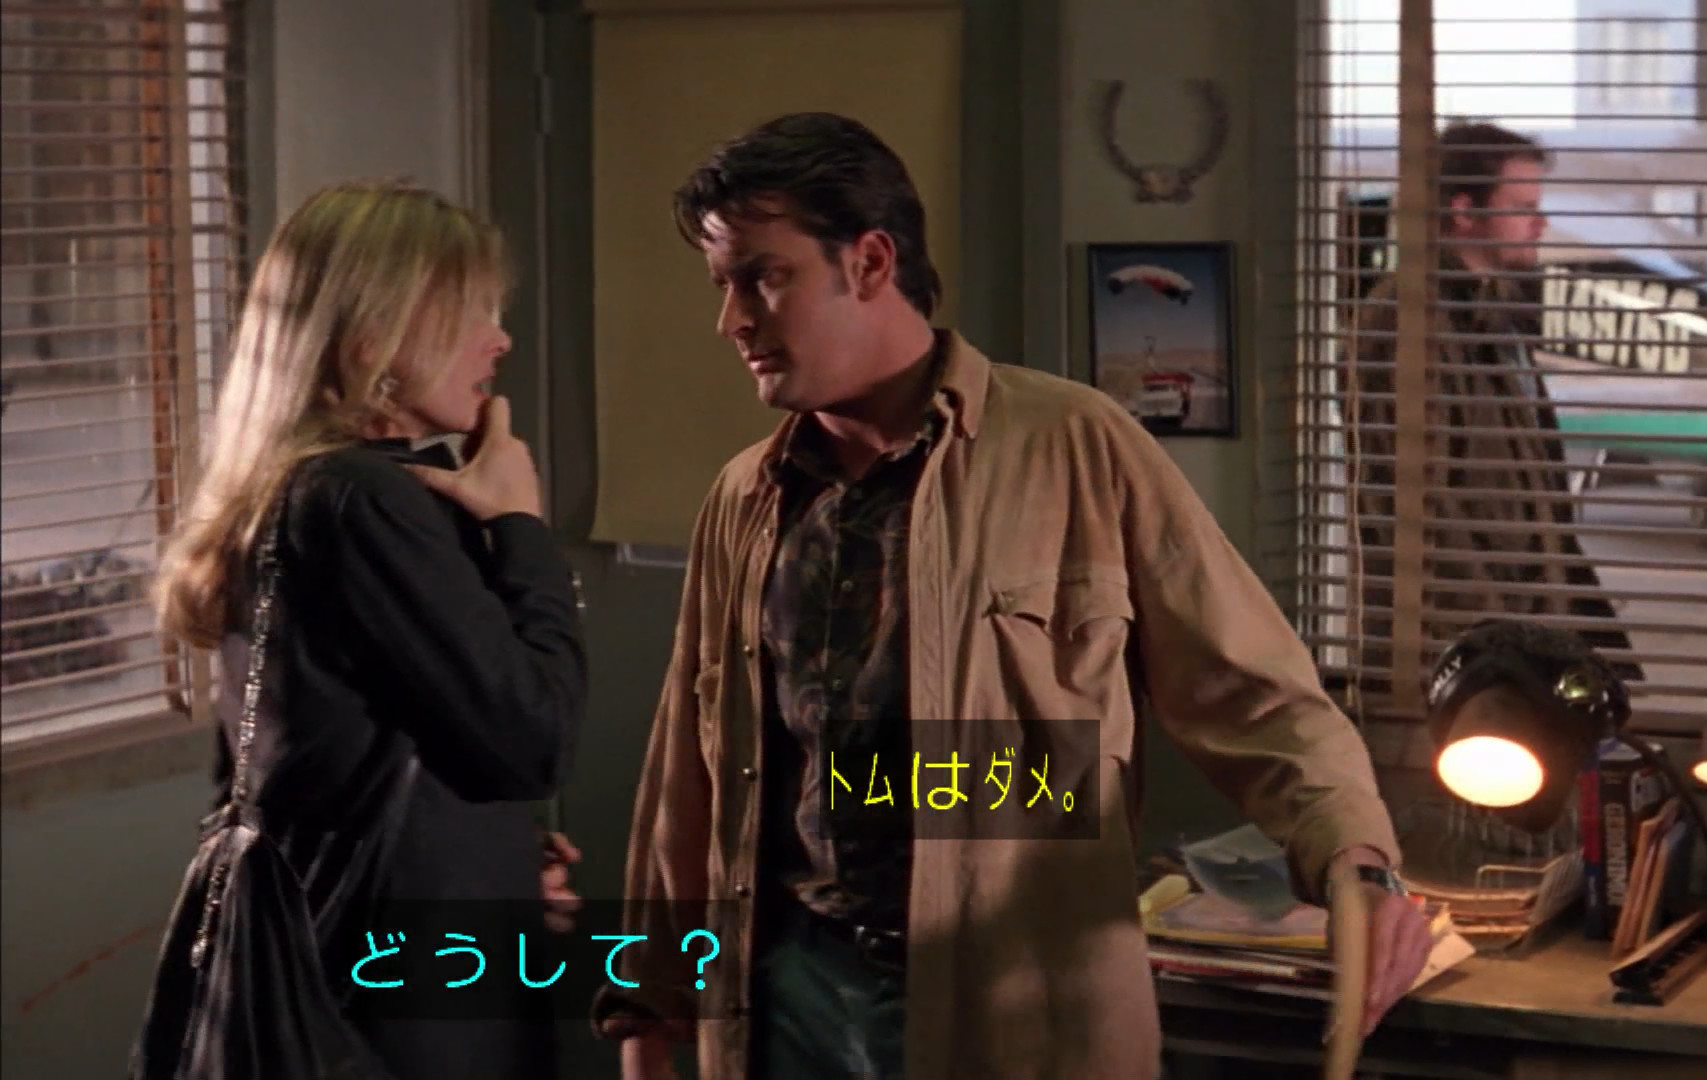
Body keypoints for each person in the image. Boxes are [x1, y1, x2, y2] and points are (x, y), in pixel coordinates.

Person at [591, 112, 1431, 1080]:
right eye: (723, 285)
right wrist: (647, 1015)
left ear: (869, 262)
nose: (732, 321)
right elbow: (685, 784)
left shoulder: (1075, 446)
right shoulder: (746, 497)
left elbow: (1258, 696)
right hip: (786, 1001)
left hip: (1018, 1015)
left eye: (762, 277)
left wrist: (1358, 861)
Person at [143, 181, 588, 1080]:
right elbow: (531, 739)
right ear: (376, 337)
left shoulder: (293, 486)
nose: (500, 340)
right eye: (474, 313)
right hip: (387, 1012)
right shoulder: (363, 500)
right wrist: (522, 527)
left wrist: (495, 854)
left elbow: (324, 756)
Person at [1341, 119, 1641, 690]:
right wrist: (1494, 652)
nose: (1540, 222)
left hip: (1519, 638)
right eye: (1523, 206)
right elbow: (1418, 514)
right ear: (1463, 211)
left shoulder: (1490, 312)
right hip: (1468, 657)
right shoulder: (1407, 324)